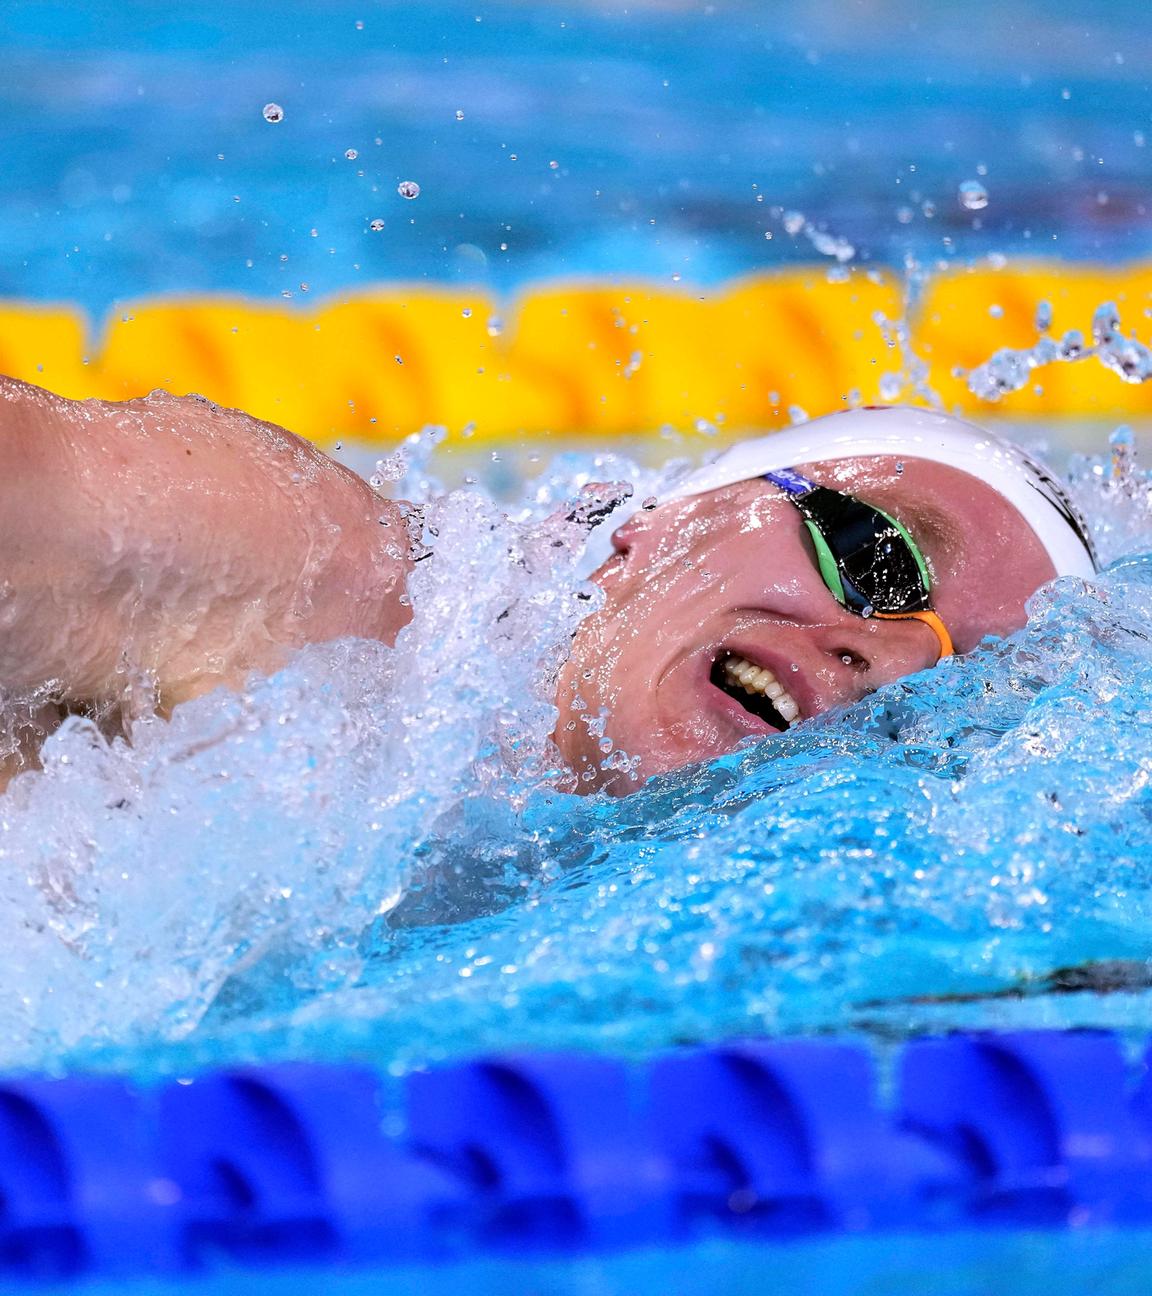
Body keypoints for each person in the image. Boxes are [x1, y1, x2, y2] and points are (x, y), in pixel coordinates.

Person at [0, 375, 1096, 792]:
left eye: (959, 694)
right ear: (656, 524)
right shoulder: (330, 590)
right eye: (878, 559)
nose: (892, 660)